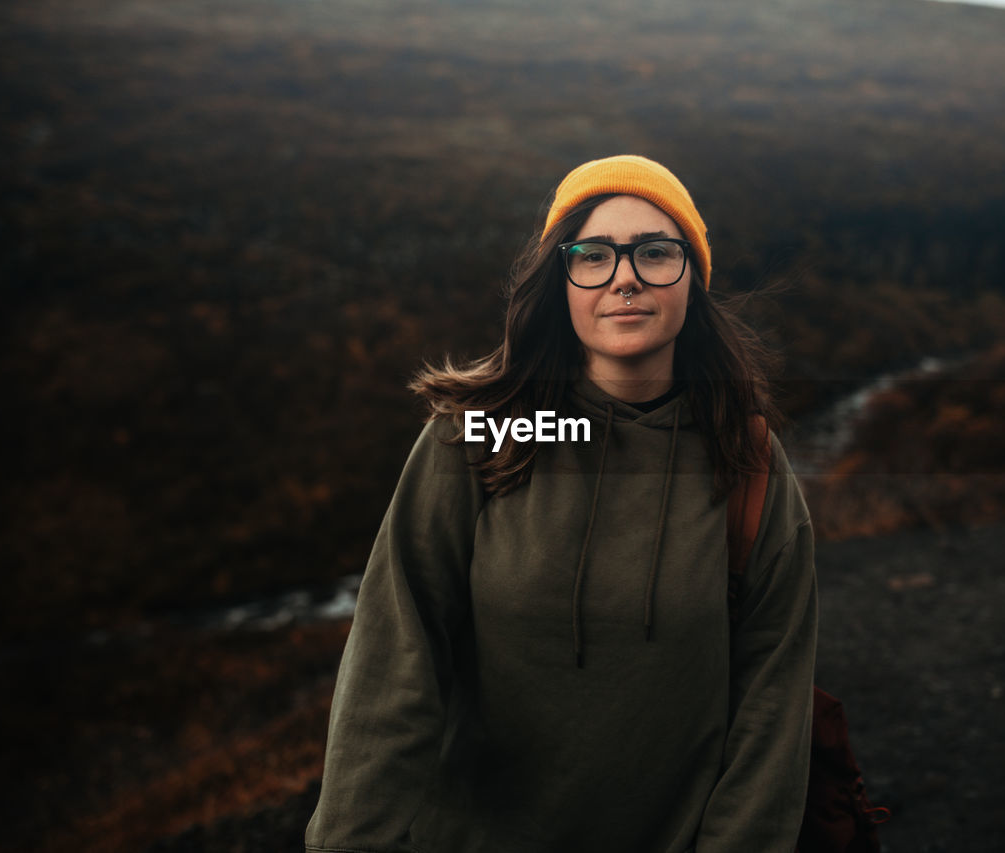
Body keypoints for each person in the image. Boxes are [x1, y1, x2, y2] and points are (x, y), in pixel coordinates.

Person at [305, 155, 818, 853]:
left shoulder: (745, 455)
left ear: (692, 280)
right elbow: (395, 659)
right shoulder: (481, 435)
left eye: (656, 252)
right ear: (561, 281)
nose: (625, 276)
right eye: (594, 255)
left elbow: (773, 702)